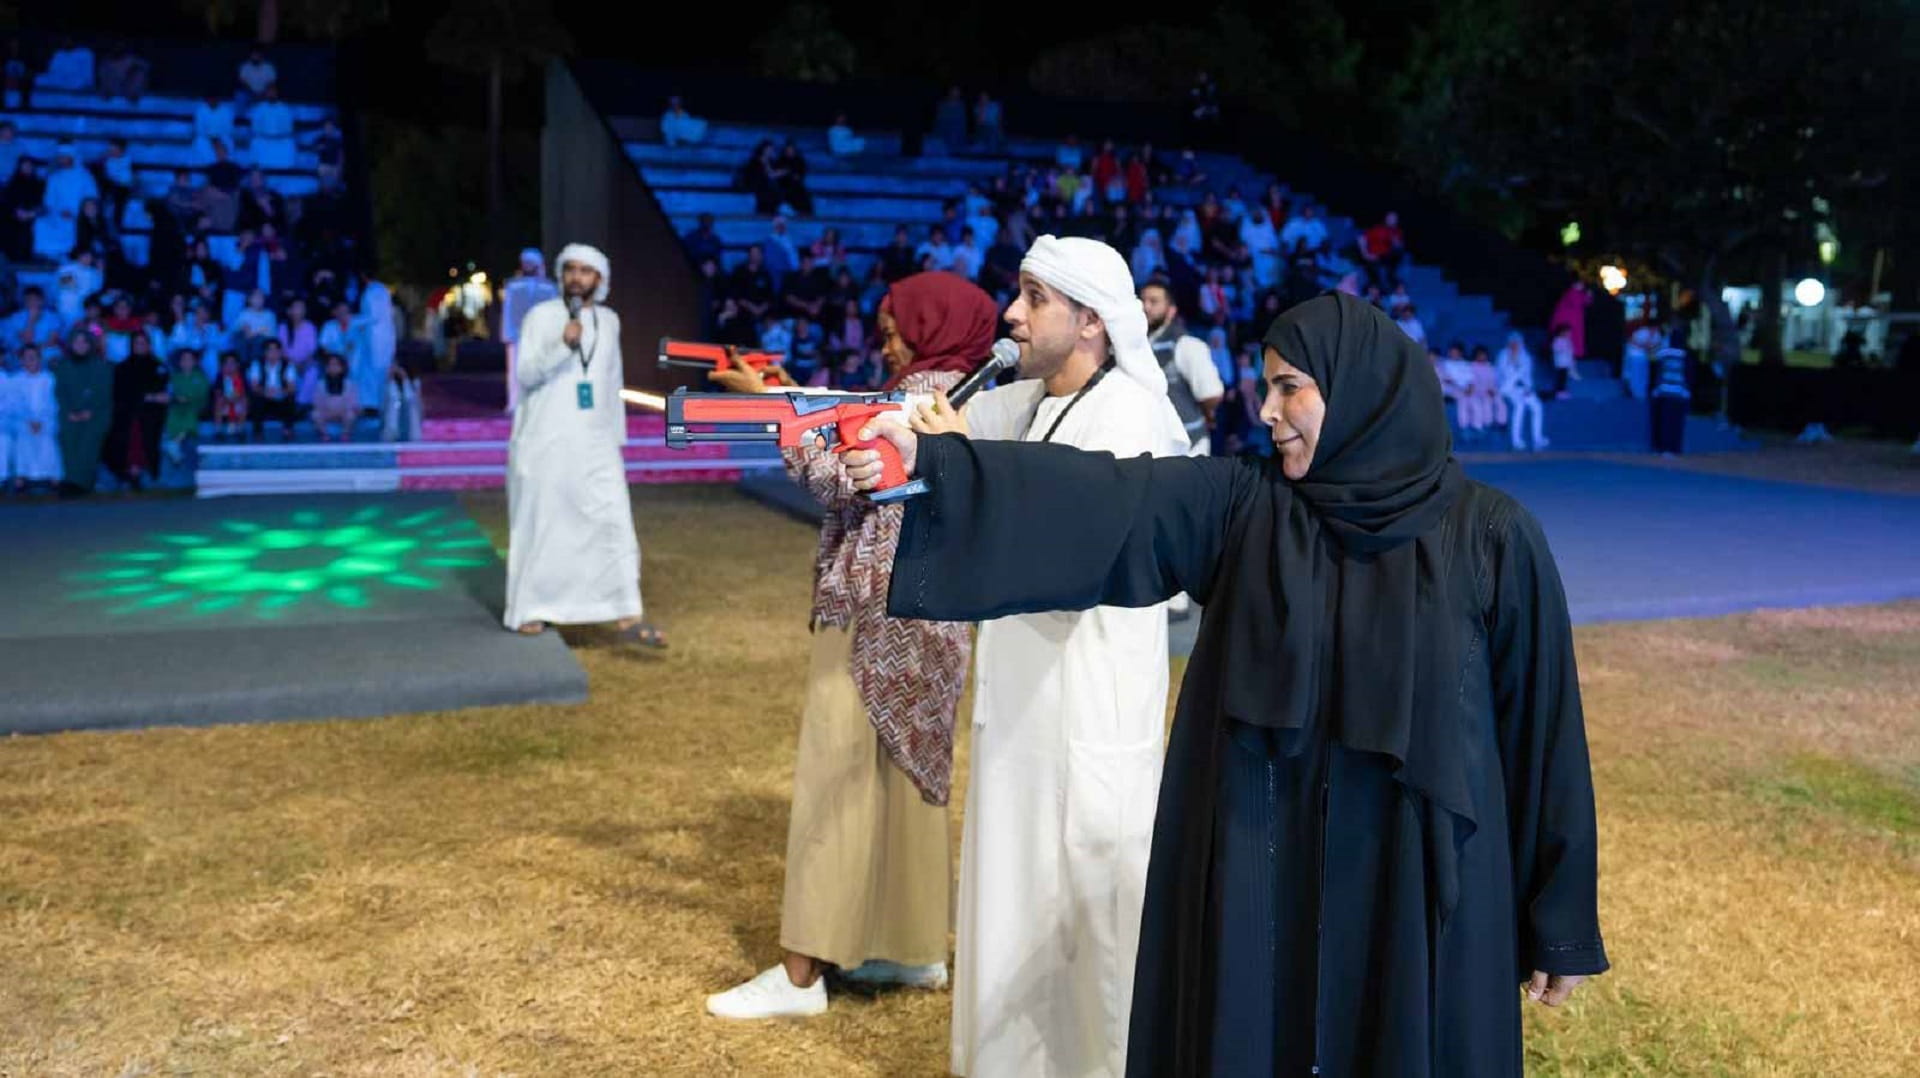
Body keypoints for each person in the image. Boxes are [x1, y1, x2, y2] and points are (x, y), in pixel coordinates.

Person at [845, 291, 1607, 1077]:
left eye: (1290, 387)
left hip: (1411, 885)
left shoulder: (1490, 537)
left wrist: (1561, 922)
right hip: (1267, 868)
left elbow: (1541, 732)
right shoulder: (1247, 506)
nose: (1267, 411)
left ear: (1363, 389)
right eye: (1266, 386)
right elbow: (1107, 499)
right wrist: (934, 464)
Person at [904, 236, 1188, 1077]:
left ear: (1091, 321)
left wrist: (963, 461)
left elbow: (1067, 545)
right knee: (1015, 902)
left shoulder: (1128, 417)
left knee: (1089, 933)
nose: (1013, 315)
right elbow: (932, 434)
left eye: (1034, 298)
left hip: (1085, 714)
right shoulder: (1034, 403)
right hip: (1025, 718)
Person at [703, 273, 989, 1020]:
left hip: (874, 614)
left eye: (896, 328)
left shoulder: (918, 400)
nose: (885, 342)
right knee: (908, 774)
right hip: (938, 614)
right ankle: (912, 946)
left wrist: (767, 404)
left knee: (836, 777)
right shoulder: (971, 399)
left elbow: (838, 478)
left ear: (931, 326)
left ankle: (801, 974)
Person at [504, 244, 663, 645]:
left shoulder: (609, 320)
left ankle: (624, 611)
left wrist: (616, 439)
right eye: (570, 270)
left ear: (599, 279)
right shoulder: (542, 316)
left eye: (585, 271)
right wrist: (563, 345)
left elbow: (612, 381)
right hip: (546, 439)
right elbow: (526, 374)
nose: (576, 278)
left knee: (611, 520)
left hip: (595, 440)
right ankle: (531, 609)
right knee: (544, 525)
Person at [1141, 280, 1224, 456]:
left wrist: (1201, 412)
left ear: (1171, 310)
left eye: (1154, 302)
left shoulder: (1187, 345)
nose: (1145, 307)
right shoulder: (1135, 345)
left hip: (1188, 447)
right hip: (1150, 445)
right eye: (1143, 301)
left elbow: (1211, 394)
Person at [105, 332, 169, 488]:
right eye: (137, 343)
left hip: (153, 415)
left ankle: (148, 474)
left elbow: (163, 390)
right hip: (128, 414)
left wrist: (154, 398)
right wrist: (149, 397)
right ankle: (129, 474)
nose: (140, 346)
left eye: (143, 343)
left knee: (151, 441)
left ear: (149, 345)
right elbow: (122, 393)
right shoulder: (122, 368)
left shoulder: (158, 366)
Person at [52, 329, 112, 494]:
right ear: (71, 344)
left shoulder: (100, 366)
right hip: (70, 413)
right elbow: (60, 392)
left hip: (97, 413)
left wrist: (90, 411)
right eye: (77, 342)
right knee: (69, 440)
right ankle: (72, 480)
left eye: (84, 342)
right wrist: (70, 411)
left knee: (88, 443)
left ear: (90, 344)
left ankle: (80, 483)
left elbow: (104, 393)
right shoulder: (63, 366)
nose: (80, 345)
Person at [501, 247, 558, 413]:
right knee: (515, 371)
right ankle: (515, 403)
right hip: (517, 334)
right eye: (526, 262)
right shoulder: (513, 285)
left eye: (531, 263)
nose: (528, 265)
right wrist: (508, 334)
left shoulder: (548, 287)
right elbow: (508, 312)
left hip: (541, 335)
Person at [4, 345, 62, 491]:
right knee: (23, 437)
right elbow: (14, 403)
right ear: (21, 360)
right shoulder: (15, 380)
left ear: (39, 359)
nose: (30, 361)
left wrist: (41, 420)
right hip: (23, 420)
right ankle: (21, 477)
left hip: (46, 420)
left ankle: (52, 477)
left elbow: (53, 403)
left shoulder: (49, 379)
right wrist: (29, 419)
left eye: (33, 357)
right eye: (26, 358)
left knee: (48, 438)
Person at [354, 267, 397, 408]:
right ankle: (374, 404)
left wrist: (353, 321)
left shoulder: (374, 291)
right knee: (375, 370)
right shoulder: (380, 290)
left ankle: (378, 405)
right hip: (378, 336)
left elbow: (374, 315)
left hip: (377, 338)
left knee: (377, 371)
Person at [1499, 331, 1547, 451]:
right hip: (1508, 388)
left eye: (1517, 343)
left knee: (1537, 407)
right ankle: (1516, 440)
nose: (1515, 345)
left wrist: (1528, 388)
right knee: (1519, 406)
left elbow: (1528, 375)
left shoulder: (1526, 356)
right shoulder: (1503, 355)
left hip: (1523, 388)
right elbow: (1503, 374)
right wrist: (1513, 361)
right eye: (1512, 343)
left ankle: (1537, 439)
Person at [162, 349, 209, 467]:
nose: (186, 362)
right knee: (173, 414)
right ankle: (175, 445)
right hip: (178, 405)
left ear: (194, 362)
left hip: (196, 404)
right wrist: (176, 398)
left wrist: (188, 398)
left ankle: (174, 443)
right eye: (184, 359)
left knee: (190, 414)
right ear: (179, 362)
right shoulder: (175, 377)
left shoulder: (200, 377)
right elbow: (170, 392)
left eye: (189, 359)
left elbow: (203, 393)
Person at [1650, 328, 1691, 457]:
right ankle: (1674, 448)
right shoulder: (1685, 355)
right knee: (1676, 423)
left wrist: (1655, 389)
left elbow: (1657, 371)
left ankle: (1662, 447)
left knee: (1663, 422)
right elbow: (1689, 375)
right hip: (1679, 393)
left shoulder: (1663, 354)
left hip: (1664, 391)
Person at [247, 338, 298, 440]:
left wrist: (279, 392)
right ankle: (258, 431)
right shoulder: (257, 364)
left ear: (280, 352)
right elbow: (254, 386)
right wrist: (266, 392)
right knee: (256, 399)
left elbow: (291, 387)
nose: (273, 353)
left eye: (276, 350)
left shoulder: (288, 365)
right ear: (264, 352)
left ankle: (288, 430)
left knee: (291, 398)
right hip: (264, 397)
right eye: (270, 350)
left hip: (281, 398)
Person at [309, 352, 359, 442]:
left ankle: (345, 435)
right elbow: (316, 404)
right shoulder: (320, 384)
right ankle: (324, 435)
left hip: (343, 412)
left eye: (336, 365)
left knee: (351, 415)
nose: (333, 367)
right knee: (315, 414)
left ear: (342, 368)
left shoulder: (349, 384)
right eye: (330, 365)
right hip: (326, 412)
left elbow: (354, 404)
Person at [381, 359, 424, 442]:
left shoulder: (413, 383)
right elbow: (390, 398)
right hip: (392, 423)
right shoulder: (389, 385)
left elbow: (411, 399)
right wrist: (391, 378)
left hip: (410, 422)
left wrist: (405, 379)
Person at [211, 350, 248, 440]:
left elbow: (244, 392)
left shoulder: (241, 376)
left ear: (237, 365)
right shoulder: (220, 377)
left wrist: (236, 398)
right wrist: (227, 399)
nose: (229, 366)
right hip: (224, 402)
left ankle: (240, 429)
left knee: (245, 401)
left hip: (238, 401)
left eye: (232, 363)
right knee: (218, 401)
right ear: (222, 366)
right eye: (226, 363)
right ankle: (218, 430)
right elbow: (217, 392)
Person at [1549, 323, 1579, 399]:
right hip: (1561, 363)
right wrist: (1563, 348)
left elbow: (1570, 351)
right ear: (1561, 332)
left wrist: (1571, 360)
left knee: (1564, 378)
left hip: (1566, 362)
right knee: (1561, 378)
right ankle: (1560, 392)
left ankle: (1563, 391)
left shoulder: (1567, 340)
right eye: (1567, 332)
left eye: (1569, 332)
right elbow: (1555, 349)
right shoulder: (1557, 340)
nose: (1569, 334)